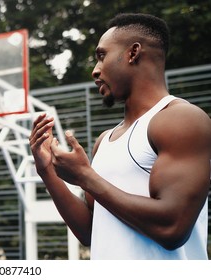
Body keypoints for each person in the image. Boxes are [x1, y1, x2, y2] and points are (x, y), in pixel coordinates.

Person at [30, 13, 211, 259]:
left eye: (102, 56)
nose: (95, 71)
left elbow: (172, 228)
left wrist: (85, 177)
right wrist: (47, 171)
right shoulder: (104, 141)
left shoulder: (182, 120)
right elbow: (91, 232)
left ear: (132, 53)